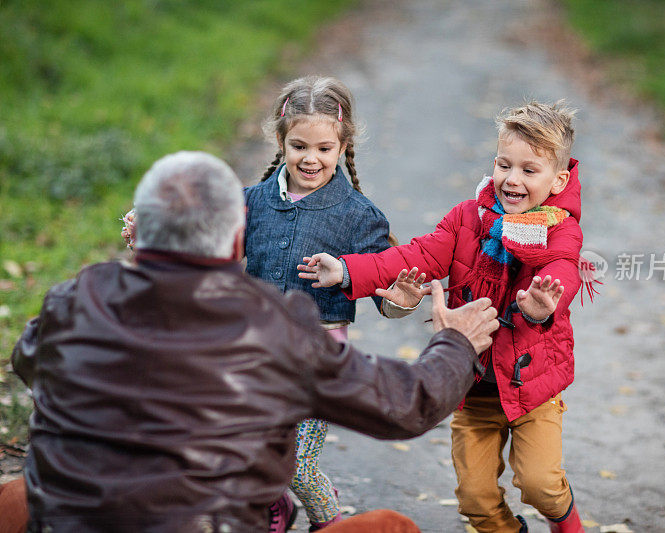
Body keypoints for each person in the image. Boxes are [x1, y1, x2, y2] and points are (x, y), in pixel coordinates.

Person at [10, 151, 499, 533]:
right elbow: (408, 404)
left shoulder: (76, 298)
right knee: (393, 527)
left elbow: (27, 358)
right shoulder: (274, 327)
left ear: (144, 230)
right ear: (238, 239)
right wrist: (456, 341)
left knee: (16, 497)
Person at [299, 101, 589, 533]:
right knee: (475, 499)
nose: (512, 179)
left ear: (558, 180)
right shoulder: (467, 218)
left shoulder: (560, 228)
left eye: (530, 171)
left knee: (540, 483)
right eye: (504, 165)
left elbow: (562, 268)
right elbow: (415, 255)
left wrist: (547, 303)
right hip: (471, 387)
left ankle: (569, 526)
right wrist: (346, 268)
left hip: (531, 386)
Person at [243, 75, 415, 530]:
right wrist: (153, 230)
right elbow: (203, 245)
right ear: (280, 141)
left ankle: (330, 521)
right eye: (299, 146)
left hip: (319, 368)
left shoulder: (360, 217)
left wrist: (402, 299)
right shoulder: (251, 203)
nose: (311, 158)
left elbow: (387, 297)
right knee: (249, 453)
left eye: (324, 148)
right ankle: (272, 507)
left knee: (296, 466)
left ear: (342, 147)